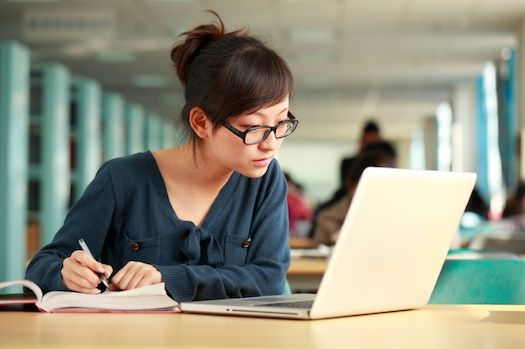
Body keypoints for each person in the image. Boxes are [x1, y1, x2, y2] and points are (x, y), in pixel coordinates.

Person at [25, 12, 298, 302]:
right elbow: (43, 266)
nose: (271, 144)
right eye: (253, 128)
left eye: (281, 123)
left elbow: (268, 279)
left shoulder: (265, 180)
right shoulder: (122, 179)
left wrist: (168, 278)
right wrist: (63, 272)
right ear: (201, 123)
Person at [312, 141, 397, 246]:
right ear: (350, 184)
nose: (375, 197)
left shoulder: (395, 218)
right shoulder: (327, 219)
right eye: (369, 188)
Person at [284, 171, 312, 237]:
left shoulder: (291, 196)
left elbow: (296, 212)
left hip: (299, 226)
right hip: (304, 226)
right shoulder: (296, 194)